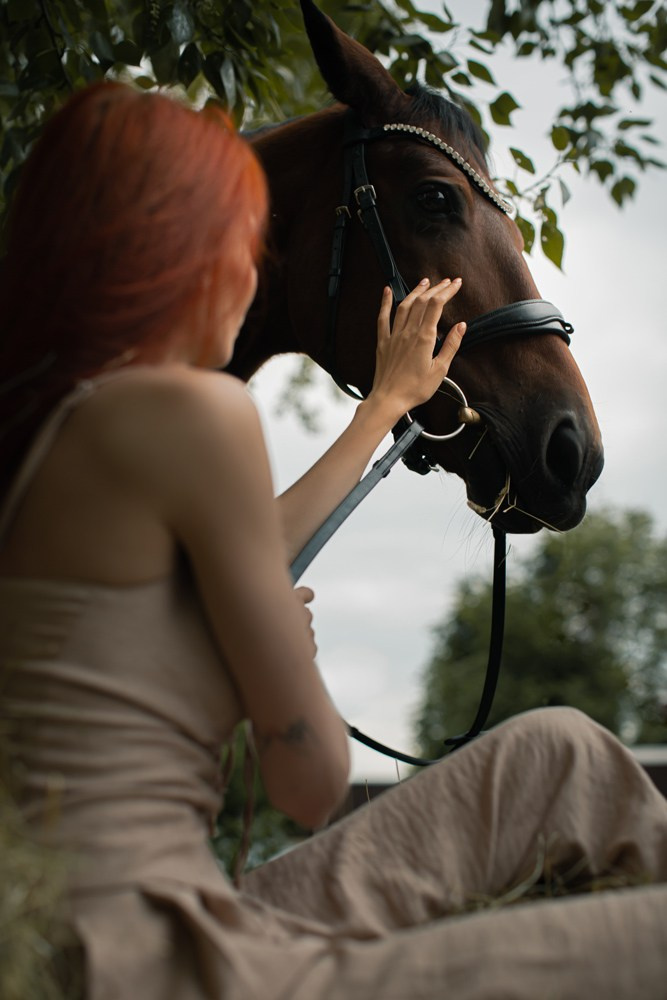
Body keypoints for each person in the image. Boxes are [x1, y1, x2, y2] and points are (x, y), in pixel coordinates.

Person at [0, 81, 665, 1000]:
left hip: (112, 931)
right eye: (243, 237)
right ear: (179, 248)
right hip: (172, 963)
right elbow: (309, 783)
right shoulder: (198, 414)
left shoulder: (58, 440)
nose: (251, 268)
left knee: (563, 755)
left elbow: (230, 560)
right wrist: (257, 649)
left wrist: (387, 405)